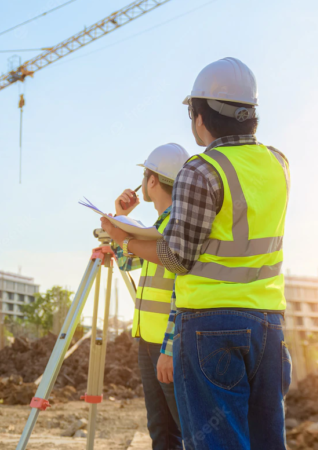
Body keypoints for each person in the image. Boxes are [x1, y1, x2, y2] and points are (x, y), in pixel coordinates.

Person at [100, 57, 291, 450]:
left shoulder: (203, 170)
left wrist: (126, 239)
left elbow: (177, 259)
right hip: (268, 324)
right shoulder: (278, 163)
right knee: (265, 439)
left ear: (199, 116)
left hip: (211, 326)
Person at [103, 143, 189, 450]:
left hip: (168, 346)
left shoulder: (176, 228)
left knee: (185, 428)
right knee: (161, 430)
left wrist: (169, 347)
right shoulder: (157, 227)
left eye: (145, 175)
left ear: (152, 181)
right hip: (149, 342)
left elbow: (184, 290)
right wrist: (122, 217)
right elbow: (127, 260)